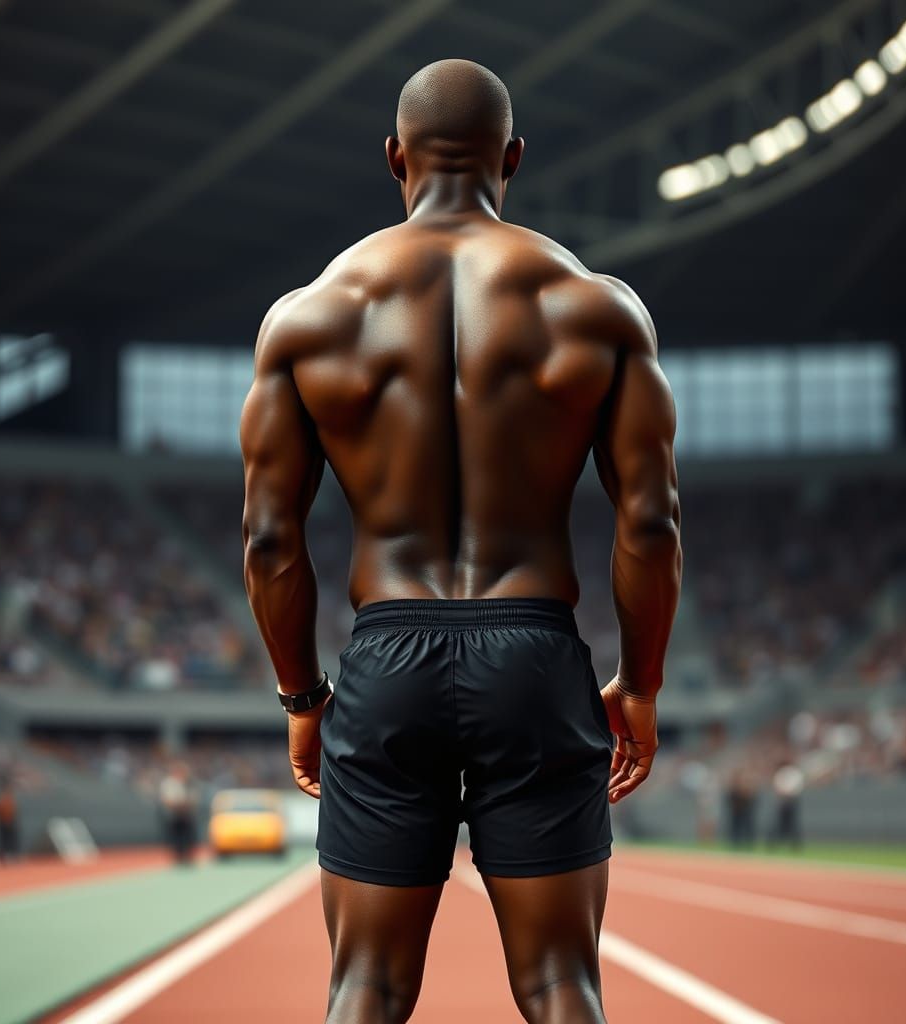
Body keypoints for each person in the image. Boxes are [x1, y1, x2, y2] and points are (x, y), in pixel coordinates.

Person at [241, 59, 681, 1024]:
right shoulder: (597, 308)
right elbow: (650, 520)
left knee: (367, 986)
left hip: (386, 653)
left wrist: (303, 698)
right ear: (513, 158)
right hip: (534, 650)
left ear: (394, 157)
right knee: (562, 982)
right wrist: (640, 686)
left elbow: (271, 540)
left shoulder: (308, 318)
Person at [158, 761, 197, 864]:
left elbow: (193, 799)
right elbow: (167, 800)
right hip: (174, 816)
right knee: (176, 838)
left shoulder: (189, 783)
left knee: (189, 837)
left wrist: (187, 805)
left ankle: (187, 856)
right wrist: (180, 805)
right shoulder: (169, 783)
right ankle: (178, 857)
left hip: (186, 815)